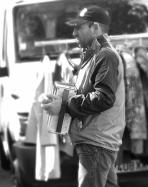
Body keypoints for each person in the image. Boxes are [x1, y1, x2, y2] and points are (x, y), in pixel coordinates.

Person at [40, 5, 125, 187]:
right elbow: (89, 94)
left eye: (79, 27)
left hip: (96, 143)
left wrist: (64, 106)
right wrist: (60, 100)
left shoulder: (105, 55)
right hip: (97, 142)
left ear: (95, 28)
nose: (73, 33)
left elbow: (103, 98)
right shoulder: (95, 55)